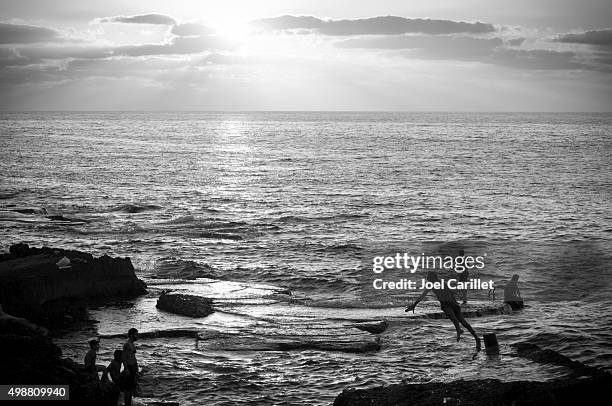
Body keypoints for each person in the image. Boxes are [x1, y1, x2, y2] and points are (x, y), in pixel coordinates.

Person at [406, 271, 481, 351]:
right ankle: (459, 330)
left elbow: (450, 293)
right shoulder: (431, 285)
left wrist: (456, 302)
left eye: (430, 279)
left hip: (453, 303)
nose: (430, 281)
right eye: (430, 279)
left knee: (463, 322)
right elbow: (422, 296)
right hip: (446, 305)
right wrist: (414, 305)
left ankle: (476, 338)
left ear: (434, 278)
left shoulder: (442, 283)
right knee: (454, 319)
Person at [122, 328, 139, 406]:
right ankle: (127, 404)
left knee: (132, 387)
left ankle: (129, 403)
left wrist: (136, 367)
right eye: (136, 334)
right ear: (131, 335)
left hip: (133, 366)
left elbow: (132, 356)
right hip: (130, 367)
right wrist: (126, 369)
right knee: (128, 388)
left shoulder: (132, 343)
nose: (137, 336)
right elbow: (124, 357)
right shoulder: (127, 344)